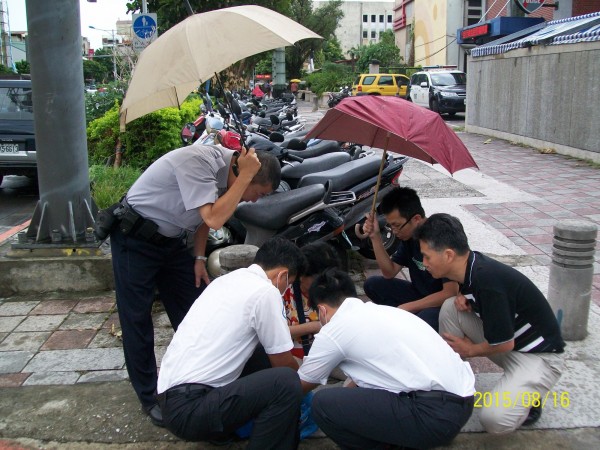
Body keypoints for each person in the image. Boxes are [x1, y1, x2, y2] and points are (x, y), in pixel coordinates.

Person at [110, 142, 281, 427]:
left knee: (194, 307)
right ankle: (151, 396)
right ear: (246, 175)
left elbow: (203, 222)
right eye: (258, 193)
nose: (252, 201)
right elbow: (214, 218)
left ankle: (204, 377)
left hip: (172, 242)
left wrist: (200, 257)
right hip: (135, 237)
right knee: (136, 319)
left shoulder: (233, 177)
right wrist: (244, 179)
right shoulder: (198, 161)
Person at [414, 213, 565, 434]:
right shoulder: (470, 267)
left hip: (540, 356)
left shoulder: (487, 281)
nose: (424, 263)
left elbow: (504, 344)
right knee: (450, 307)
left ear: (448, 255)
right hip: (513, 343)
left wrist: (471, 349)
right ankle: (451, 381)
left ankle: (531, 396)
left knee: (494, 420)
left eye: (426, 257)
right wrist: (469, 302)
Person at [298, 269, 475, 449]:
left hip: (432, 417)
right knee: (350, 390)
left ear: (321, 310)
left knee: (323, 404)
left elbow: (303, 384)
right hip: (463, 404)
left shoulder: (334, 329)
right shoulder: (384, 312)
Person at [156, 237, 305, 449]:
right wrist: (305, 382)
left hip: (169, 401)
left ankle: (224, 430)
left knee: (261, 355)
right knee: (286, 382)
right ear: (282, 275)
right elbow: (283, 364)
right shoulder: (266, 291)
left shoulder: (225, 281)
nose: (286, 290)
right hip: (191, 410)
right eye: (288, 284)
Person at [362, 187, 458, 330]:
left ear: (416, 219)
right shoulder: (409, 237)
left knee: (421, 322)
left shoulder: (440, 236)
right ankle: (404, 319)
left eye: (397, 226)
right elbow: (389, 272)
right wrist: (375, 236)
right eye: (391, 226)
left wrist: (410, 307)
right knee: (372, 284)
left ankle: (409, 322)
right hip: (418, 293)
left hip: (443, 303)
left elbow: (451, 292)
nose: (394, 232)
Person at [282, 242, 342, 359]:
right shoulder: (285, 291)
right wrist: (317, 326)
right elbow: (276, 332)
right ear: (302, 274)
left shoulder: (336, 288)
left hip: (332, 354)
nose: (323, 283)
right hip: (297, 356)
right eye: (317, 278)